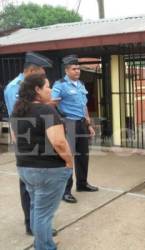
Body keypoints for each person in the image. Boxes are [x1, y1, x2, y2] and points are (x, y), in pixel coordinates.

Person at [11, 73, 73, 250]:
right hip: (49, 169)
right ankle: (45, 247)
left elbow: (16, 139)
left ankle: (42, 243)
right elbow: (59, 142)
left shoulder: (18, 110)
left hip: (25, 168)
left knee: (36, 207)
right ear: (37, 90)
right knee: (44, 214)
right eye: (47, 87)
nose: (51, 90)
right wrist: (69, 162)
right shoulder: (47, 111)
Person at [3, 52, 56, 236]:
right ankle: (31, 225)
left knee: (38, 187)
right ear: (31, 71)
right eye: (41, 74)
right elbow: (17, 119)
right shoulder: (14, 88)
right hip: (26, 142)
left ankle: (38, 223)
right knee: (28, 187)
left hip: (37, 140)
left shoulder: (28, 86)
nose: (43, 78)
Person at [51, 54, 98, 203]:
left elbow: (83, 105)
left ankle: (82, 184)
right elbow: (53, 104)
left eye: (78, 69)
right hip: (69, 124)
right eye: (74, 69)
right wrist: (60, 122)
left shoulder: (81, 85)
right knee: (68, 158)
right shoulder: (60, 85)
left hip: (82, 123)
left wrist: (89, 124)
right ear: (66, 70)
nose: (77, 71)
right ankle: (65, 191)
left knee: (83, 156)